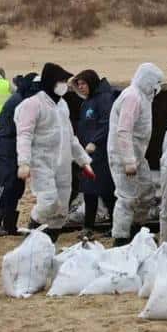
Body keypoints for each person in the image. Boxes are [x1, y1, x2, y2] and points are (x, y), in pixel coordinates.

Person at [15, 63, 95, 241]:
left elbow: (71, 137)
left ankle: (48, 245)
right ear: (51, 81)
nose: (65, 85)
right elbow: (24, 135)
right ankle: (32, 230)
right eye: (62, 81)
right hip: (41, 162)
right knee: (48, 202)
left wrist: (84, 161)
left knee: (61, 210)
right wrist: (24, 162)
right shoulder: (33, 105)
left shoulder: (62, 105)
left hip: (63, 164)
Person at [108, 62, 165, 246]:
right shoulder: (132, 97)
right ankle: (121, 238)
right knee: (127, 198)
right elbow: (123, 130)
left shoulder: (143, 97)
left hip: (138, 156)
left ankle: (136, 229)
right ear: (147, 80)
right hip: (124, 157)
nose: (157, 87)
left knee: (146, 193)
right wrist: (128, 161)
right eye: (156, 82)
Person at [0, 73, 38, 236]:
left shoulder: (22, 99)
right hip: (5, 149)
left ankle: (10, 225)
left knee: (16, 187)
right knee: (4, 186)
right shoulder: (19, 102)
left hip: (15, 149)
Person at [73, 69, 117, 237]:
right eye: (79, 84)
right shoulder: (87, 101)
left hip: (101, 153)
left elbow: (107, 123)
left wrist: (95, 141)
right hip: (87, 154)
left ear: (91, 83)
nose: (81, 87)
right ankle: (88, 226)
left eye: (83, 83)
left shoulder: (104, 99)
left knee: (107, 191)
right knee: (89, 190)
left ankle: (115, 225)